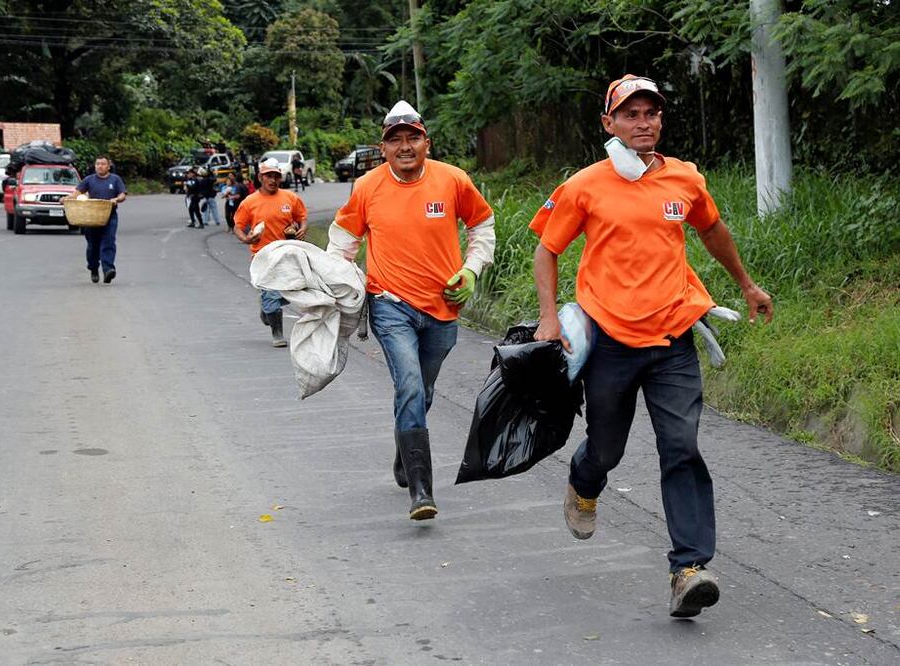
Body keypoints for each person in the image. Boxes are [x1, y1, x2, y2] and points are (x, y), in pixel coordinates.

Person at [529, 75, 774, 618]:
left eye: (651, 113)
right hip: (611, 343)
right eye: (631, 114)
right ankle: (584, 481)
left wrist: (747, 285)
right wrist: (548, 318)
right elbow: (547, 249)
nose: (643, 123)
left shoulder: (684, 178)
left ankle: (689, 568)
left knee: (681, 446)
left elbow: (712, 230)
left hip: (673, 339)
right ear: (609, 123)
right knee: (607, 449)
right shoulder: (585, 185)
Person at [326, 100, 496, 521]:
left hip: (442, 307)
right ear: (383, 148)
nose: (405, 146)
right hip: (389, 304)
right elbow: (342, 242)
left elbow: (482, 225)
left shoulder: (453, 180)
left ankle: (405, 451)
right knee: (411, 385)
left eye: (412, 138)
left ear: (426, 143)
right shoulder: (367, 186)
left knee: (424, 389)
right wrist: (334, 289)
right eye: (395, 140)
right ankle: (422, 490)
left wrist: (471, 270)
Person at [234, 157, 308, 347]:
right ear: (260, 177)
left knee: (290, 290)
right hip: (263, 257)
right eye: (268, 176)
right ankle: (278, 334)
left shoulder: (290, 198)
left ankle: (267, 307)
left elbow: (301, 217)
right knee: (272, 294)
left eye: (276, 176)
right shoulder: (250, 202)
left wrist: (302, 228)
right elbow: (238, 226)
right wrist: (246, 239)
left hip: (287, 255)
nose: (272, 180)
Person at [66, 155, 126, 284]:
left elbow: (122, 194)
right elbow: (77, 193)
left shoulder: (115, 179)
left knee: (109, 242)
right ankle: (93, 268)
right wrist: (66, 199)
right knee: (93, 245)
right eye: (98, 164)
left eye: (103, 164)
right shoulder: (89, 180)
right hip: (91, 217)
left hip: (109, 216)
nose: (100, 166)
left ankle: (108, 269)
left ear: (108, 166)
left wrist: (116, 199)